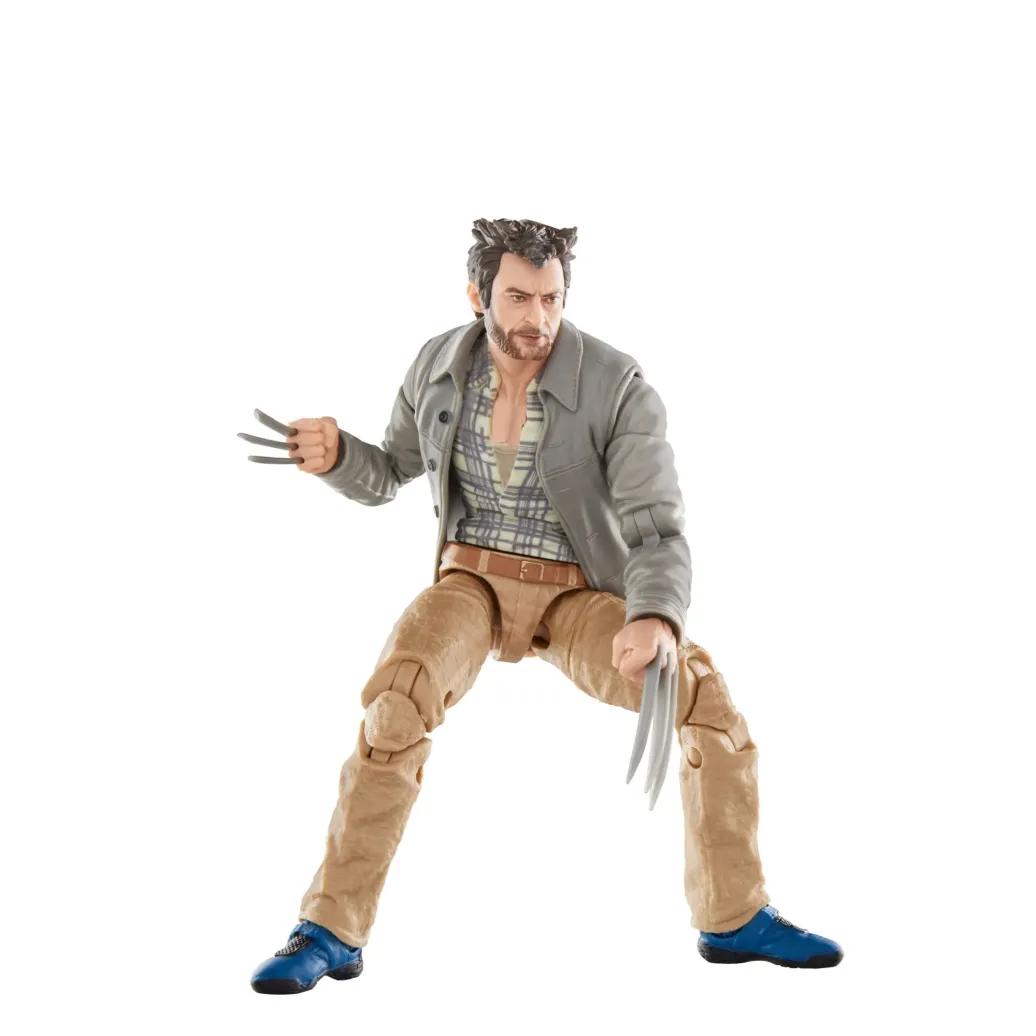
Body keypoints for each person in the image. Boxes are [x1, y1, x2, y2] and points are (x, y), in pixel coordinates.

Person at [246, 218, 842, 994]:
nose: (538, 318)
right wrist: (338, 457)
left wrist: (654, 615)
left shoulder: (616, 384)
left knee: (701, 693)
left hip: (577, 590)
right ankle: (331, 929)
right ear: (477, 296)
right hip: (470, 582)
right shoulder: (437, 366)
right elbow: (390, 469)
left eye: (552, 298)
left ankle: (734, 916)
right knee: (395, 702)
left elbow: (657, 525)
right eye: (519, 298)